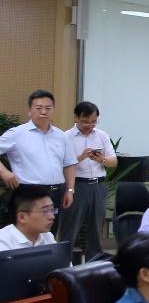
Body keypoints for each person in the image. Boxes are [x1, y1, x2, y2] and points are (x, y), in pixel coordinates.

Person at [0, 90, 76, 230]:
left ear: (53, 110)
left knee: (50, 232)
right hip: (28, 193)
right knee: (27, 233)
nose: (43, 112)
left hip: (56, 192)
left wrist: (70, 190)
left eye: (48, 108)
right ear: (29, 111)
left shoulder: (61, 136)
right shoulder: (17, 134)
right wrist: (4, 172)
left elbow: (69, 163)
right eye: (39, 108)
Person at [59, 101, 117, 258]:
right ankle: (65, 261)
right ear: (76, 118)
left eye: (93, 121)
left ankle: (94, 261)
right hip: (76, 185)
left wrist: (101, 159)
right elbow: (62, 164)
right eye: (85, 121)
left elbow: (113, 161)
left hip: (98, 185)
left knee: (96, 228)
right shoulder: (65, 137)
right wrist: (81, 157)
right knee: (70, 227)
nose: (90, 125)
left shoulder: (102, 135)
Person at [0, 185, 57, 250]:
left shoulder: (47, 236)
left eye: (52, 210)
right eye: (45, 211)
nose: (52, 217)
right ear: (22, 217)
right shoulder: (3, 241)